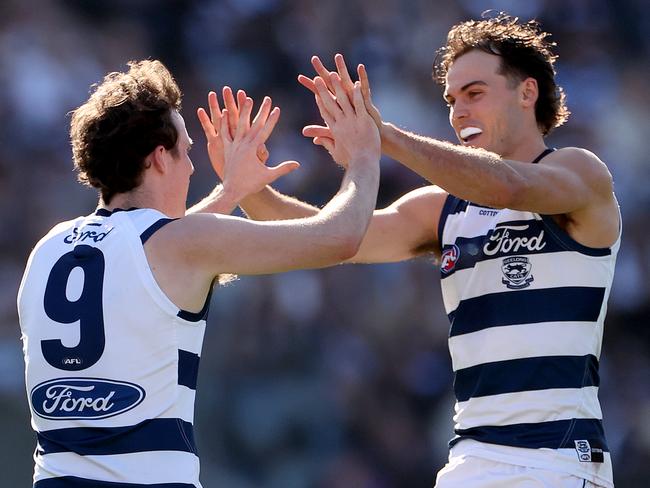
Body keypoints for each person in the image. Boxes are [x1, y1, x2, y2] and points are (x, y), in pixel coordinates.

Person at [204, 14, 620, 488]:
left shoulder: (580, 173)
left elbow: (508, 186)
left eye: (475, 93)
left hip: (557, 460)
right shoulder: (443, 208)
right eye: (451, 99)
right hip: (471, 460)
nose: (459, 110)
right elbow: (330, 238)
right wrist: (251, 190)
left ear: (527, 93)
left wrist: (384, 138)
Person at [17, 59, 380, 487]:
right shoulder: (179, 247)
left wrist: (230, 194)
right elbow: (340, 238)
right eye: (186, 152)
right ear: (158, 159)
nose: (191, 167)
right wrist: (363, 155)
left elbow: (155, 257)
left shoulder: (49, 247)